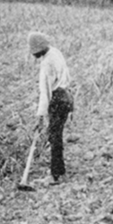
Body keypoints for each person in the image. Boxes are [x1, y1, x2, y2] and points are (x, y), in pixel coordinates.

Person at [28, 32, 73, 184]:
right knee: (57, 135)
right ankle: (60, 171)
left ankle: (55, 175)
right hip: (66, 96)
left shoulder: (47, 63)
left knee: (54, 136)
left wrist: (40, 116)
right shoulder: (55, 52)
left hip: (57, 99)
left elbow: (45, 93)